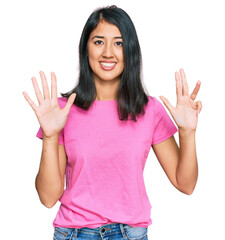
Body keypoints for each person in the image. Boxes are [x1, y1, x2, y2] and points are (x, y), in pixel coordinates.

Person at [22, 5, 202, 240]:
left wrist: (187, 132)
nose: (108, 52)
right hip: (74, 234)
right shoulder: (61, 111)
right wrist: (50, 135)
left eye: (118, 43)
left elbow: (185, 184)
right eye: (98, 42)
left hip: (131, 234)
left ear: (130, 50)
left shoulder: (149, 110)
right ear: (86, 49)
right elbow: (48, 198)